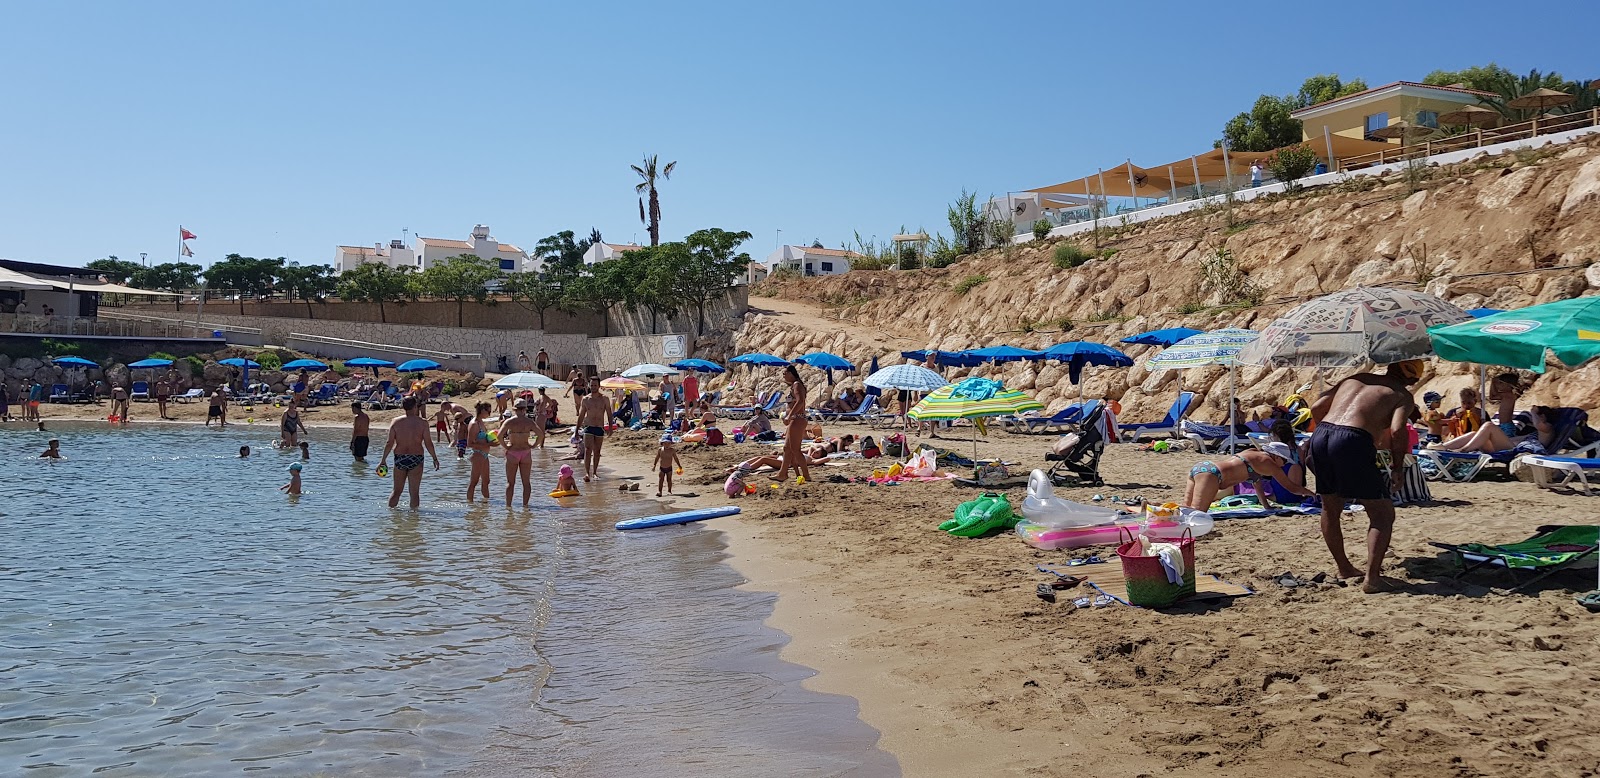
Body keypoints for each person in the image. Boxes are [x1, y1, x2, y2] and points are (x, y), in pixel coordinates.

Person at [1306, 360, 1422, 594]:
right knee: (1382, 514)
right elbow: (1399, 431)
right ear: (1411, 380)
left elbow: (1317, 408)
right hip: (1353, 439)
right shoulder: (1401, 395)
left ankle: (1344, 568)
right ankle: (1372, 578)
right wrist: (1397, 466)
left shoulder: (1355, 378)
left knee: (1331, 507)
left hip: (1322, 434)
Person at [379, 396, 440, 509]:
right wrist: (434, 458)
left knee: (396, 491)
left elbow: (389, 442)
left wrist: (383, 460)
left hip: (400, 458)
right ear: (415, 406)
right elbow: (428, 443)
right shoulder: (422, 423)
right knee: (414, 492)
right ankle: (414, 519)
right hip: (416, 458)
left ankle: (391, 515)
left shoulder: (396, 422)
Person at [1434, 405, 1559, 454]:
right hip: (1509, 447)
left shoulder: (1547, 428)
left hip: (1514, 451)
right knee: (1474, 434)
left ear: (1543, 416)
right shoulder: (1536, 433)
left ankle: (1462, 451)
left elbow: (1538, 424)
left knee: (1489, 426)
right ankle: (1443, 447)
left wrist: (1533, 412)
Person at [772, 365, 811, 483]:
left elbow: (800, 401)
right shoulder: (795, 385)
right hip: (796, 419)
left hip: (797, 419)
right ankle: (783, 473)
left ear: (791, 373)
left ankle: (806, 475)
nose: (783, 376)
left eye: (785, 373)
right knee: (787, 449)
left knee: (795, 449)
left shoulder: (797, 385)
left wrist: (789, 415)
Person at [499, 398, 537, 507]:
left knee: (510, 483)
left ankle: (508, 507)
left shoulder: (509, 421)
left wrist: (506, 446)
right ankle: (525, 506)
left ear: (514, 409)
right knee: (526, 483)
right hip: (525, 452)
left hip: (513, 452)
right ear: (525, 409)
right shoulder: (529, 422)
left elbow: (499, 436)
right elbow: (540, 434)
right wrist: (533, 445)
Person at [577, 387, 614, 481]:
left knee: (597, 452)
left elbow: (609, 413)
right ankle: (587, 473)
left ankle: (594, 472)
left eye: (595, 385)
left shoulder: (604, 398)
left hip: (599, 427)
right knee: (588, 450)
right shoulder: (586, 399)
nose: (593, 387)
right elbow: (581, 415)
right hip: (589, 427)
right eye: (591, 385)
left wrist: (610, 427)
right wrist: (576, 429)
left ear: (598, 386)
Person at [466, 401, 494, 502]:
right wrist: (488, 444)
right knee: (474, 482)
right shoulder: (474, 424)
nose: (489, 414)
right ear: (482, 410)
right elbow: (469, 443)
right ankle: (470, 504)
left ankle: (485, 504)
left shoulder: (481, 422)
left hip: (484, 454)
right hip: (477, 454)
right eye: (488, 412)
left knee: (486, 481)